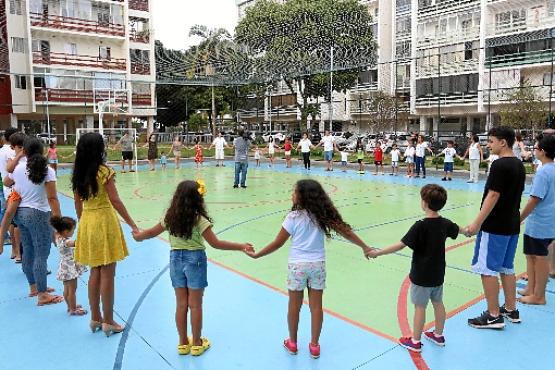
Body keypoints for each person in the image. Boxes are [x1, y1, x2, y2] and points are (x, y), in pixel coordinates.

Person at [247, 179, 372, 359]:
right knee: (316, 307)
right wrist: (364, 246)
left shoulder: (293, 218)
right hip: (317, 266)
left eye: (294, 192)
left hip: (297, 267)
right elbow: (346, 232)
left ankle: (292, 342)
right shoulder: (322, 216)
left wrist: (257, 255)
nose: (292, 195)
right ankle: (314, 345)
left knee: (294, 306)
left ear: (302, 196)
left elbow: (277, 243)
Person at [132, 180, 254, 356]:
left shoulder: (170, 216)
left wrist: (139, 237)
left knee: (181, 304)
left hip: (175, 259)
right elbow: (216, 243)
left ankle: (183, 343)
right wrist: (241, 246)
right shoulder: (198, 219)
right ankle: (196, 343)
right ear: (197, 198)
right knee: (195, 305)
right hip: (195, 260)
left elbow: (151, 232)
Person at [367, 184, 460, 352]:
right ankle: (438, 335)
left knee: (420, 307)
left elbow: (400, 245)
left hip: (421, 275)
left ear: (424, 203)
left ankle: (415, 341)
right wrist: (472, 229)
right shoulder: (445, 223)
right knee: (438, 302)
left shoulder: (420, 225)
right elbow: (463, 230)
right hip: (438, 273)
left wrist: (378, 253)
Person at [72, 133, 139, 336]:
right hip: (104, 221)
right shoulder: (104, 172)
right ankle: (109, 321)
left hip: (88, 221)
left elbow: (77, 203)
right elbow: (115, 201)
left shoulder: (78, 173)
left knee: (95, 271)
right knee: (108, 273)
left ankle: (95, 318)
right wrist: (132, 224)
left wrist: (83, 222)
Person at [464, 126, 526, 329]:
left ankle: (493, 315)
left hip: (495, 226)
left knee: (487, 269)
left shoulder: (500, 165)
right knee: (506, 267)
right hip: (512, 224)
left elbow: (493, 195)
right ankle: (510, 308)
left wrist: (477, 223)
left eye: (491, 141)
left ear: (503, 142)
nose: (488, 145)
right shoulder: (519, 164)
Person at [3, 137, 62, 305]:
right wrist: (58, 221)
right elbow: (52, 198)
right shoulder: (47, 170)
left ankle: (34, 287)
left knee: (28, 251)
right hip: (39, 214)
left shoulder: (18, 168)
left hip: (20, 213)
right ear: (42, 151)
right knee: (41, 254)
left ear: (24, 152)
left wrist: (17, 162)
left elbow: (6, 182)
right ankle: (42, 294)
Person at [518, 136, 555, 305]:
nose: (534, 150)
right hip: (544, 222)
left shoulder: (544, 172)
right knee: (531, 255)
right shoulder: (552, 169)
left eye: (536, 148)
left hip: (541, 222)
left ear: (543, 151)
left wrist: (519, 218)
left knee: (539, 258)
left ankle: (539, 295)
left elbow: (534, 199)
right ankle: (530, 288)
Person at [51, 216, 87, 316]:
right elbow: (74, 243)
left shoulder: (58, 236)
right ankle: (73, 309)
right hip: (70, 267)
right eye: (73, 230)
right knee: (72, 290)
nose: (73, 233)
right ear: (66, 231)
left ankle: (70, 306)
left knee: (67, 289)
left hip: (64, 267)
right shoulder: (66, 241)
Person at [0, 129, 21, 263]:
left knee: (11, 221)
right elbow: (12, 169)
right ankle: (18, 252)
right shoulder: (10, 151)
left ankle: (15, 250)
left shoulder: (2, 150)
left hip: (7, 189)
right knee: (18, 223)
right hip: (15, 189)